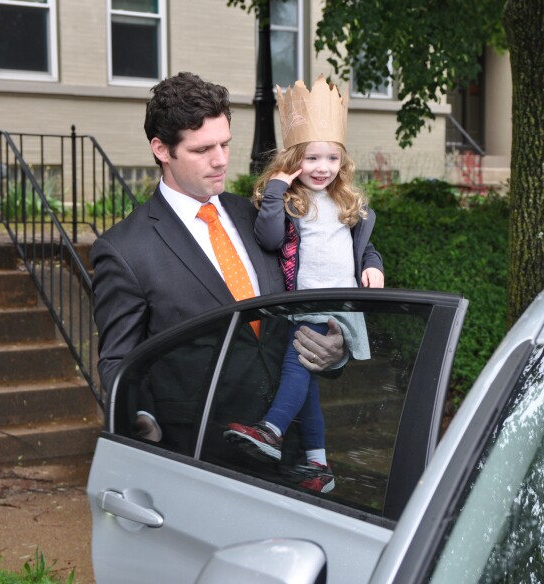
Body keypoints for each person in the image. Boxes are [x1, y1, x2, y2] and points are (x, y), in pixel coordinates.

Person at [90, 71, 344, 455]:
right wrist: (142, 419)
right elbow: (118, 363)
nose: (220, 161)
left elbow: (306, 299)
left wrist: (334, 351)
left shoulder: (260, 216)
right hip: (198, 456)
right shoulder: (125, 250)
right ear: (161, 150)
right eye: (202, 150)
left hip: (288, 450)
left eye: (225, 144)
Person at [224, 75, 385, 493]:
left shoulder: (349, 203)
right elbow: (270, 238)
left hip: (338, 305)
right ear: (295, 159)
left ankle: (273, 431)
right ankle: (318, 464)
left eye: (331, 159)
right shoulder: (292, 201)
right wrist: (277, 188)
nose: (322, 168)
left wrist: (374, 267)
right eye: (312, 158)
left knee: (299, 364)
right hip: (303, 302)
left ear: (342, 162)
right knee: (306, 381)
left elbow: (364, 249)